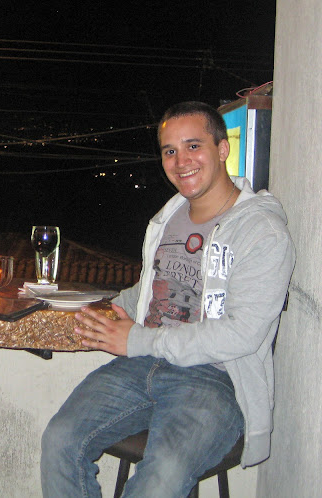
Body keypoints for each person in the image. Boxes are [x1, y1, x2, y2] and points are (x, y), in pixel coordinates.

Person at [40, 101, 295, 497]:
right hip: (144, 364)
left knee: (163, 475)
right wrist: (107, 309)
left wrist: (138, 340)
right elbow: (152, 289)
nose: (181, 161)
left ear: (222, 149)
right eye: (170, 151)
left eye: (193, 146)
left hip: (215, 377)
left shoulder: (261, 230)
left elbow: (242, 334)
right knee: (60, 440)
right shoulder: (170, 215)